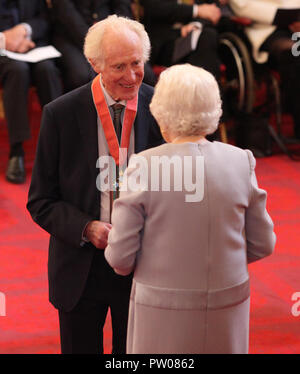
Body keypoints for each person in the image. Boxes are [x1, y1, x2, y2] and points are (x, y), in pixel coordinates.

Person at [104, 64, 276, 354]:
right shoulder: (241, 160)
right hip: (228, 303)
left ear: (160, 110)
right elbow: (263, 243)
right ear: (215, 107)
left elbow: (120, 257)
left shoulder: (144, 165)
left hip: (162, 310)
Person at [26, 15, 163, 354]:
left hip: (144, 266)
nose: (131, 76)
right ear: (94, 64)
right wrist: (87, 228)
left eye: (137, 63)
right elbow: (41, 200)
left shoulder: (160, 106)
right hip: (81, 266)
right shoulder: (60, 114)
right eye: (119, 67)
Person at [0, 0, 63, 184]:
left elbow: (45, 19)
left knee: (48, 70)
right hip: (3, 54)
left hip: (32, 46)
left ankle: (60, 146)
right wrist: (5, 40)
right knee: (17, 71)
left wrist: (24, 31)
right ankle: (16, 151)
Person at [229, 0, 300, 139]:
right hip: (266, 29)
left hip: (296, 25)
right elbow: (241, 5)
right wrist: (281, 16)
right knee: (294, 54)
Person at [47, 0, 133, 91]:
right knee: (81, 75)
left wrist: (113, 32)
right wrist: (97, 38)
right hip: (71, 37)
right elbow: (67, 15)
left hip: (112, 33)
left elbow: (122, 8)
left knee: (143, 73)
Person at [140, 0, 229, 79]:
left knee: (208, 37)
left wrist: (196, 25)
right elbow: (154, 8)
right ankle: (202, 92)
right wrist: (196, 10)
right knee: (205, 40)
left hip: (196, 33)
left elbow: (212, 10)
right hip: (165, 41)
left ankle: (201, 91)